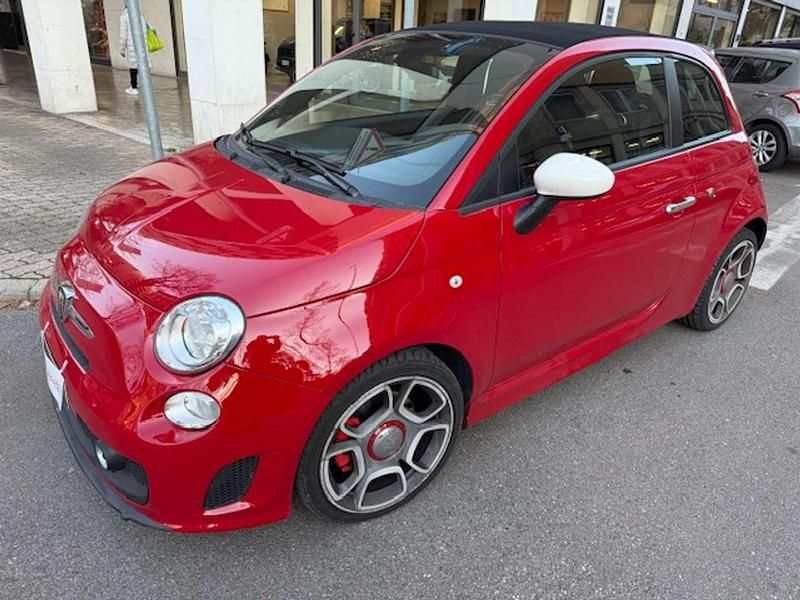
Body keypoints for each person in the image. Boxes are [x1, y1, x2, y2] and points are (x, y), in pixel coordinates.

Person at [119, 0, 150, 96]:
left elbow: (123, 35)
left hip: (132, 44)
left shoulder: (124, 17)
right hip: (142, 43)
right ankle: (145, 85)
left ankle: (133, 87)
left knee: (133, 67)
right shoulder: (140, 15)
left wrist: (122, 49)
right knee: (142, 65)